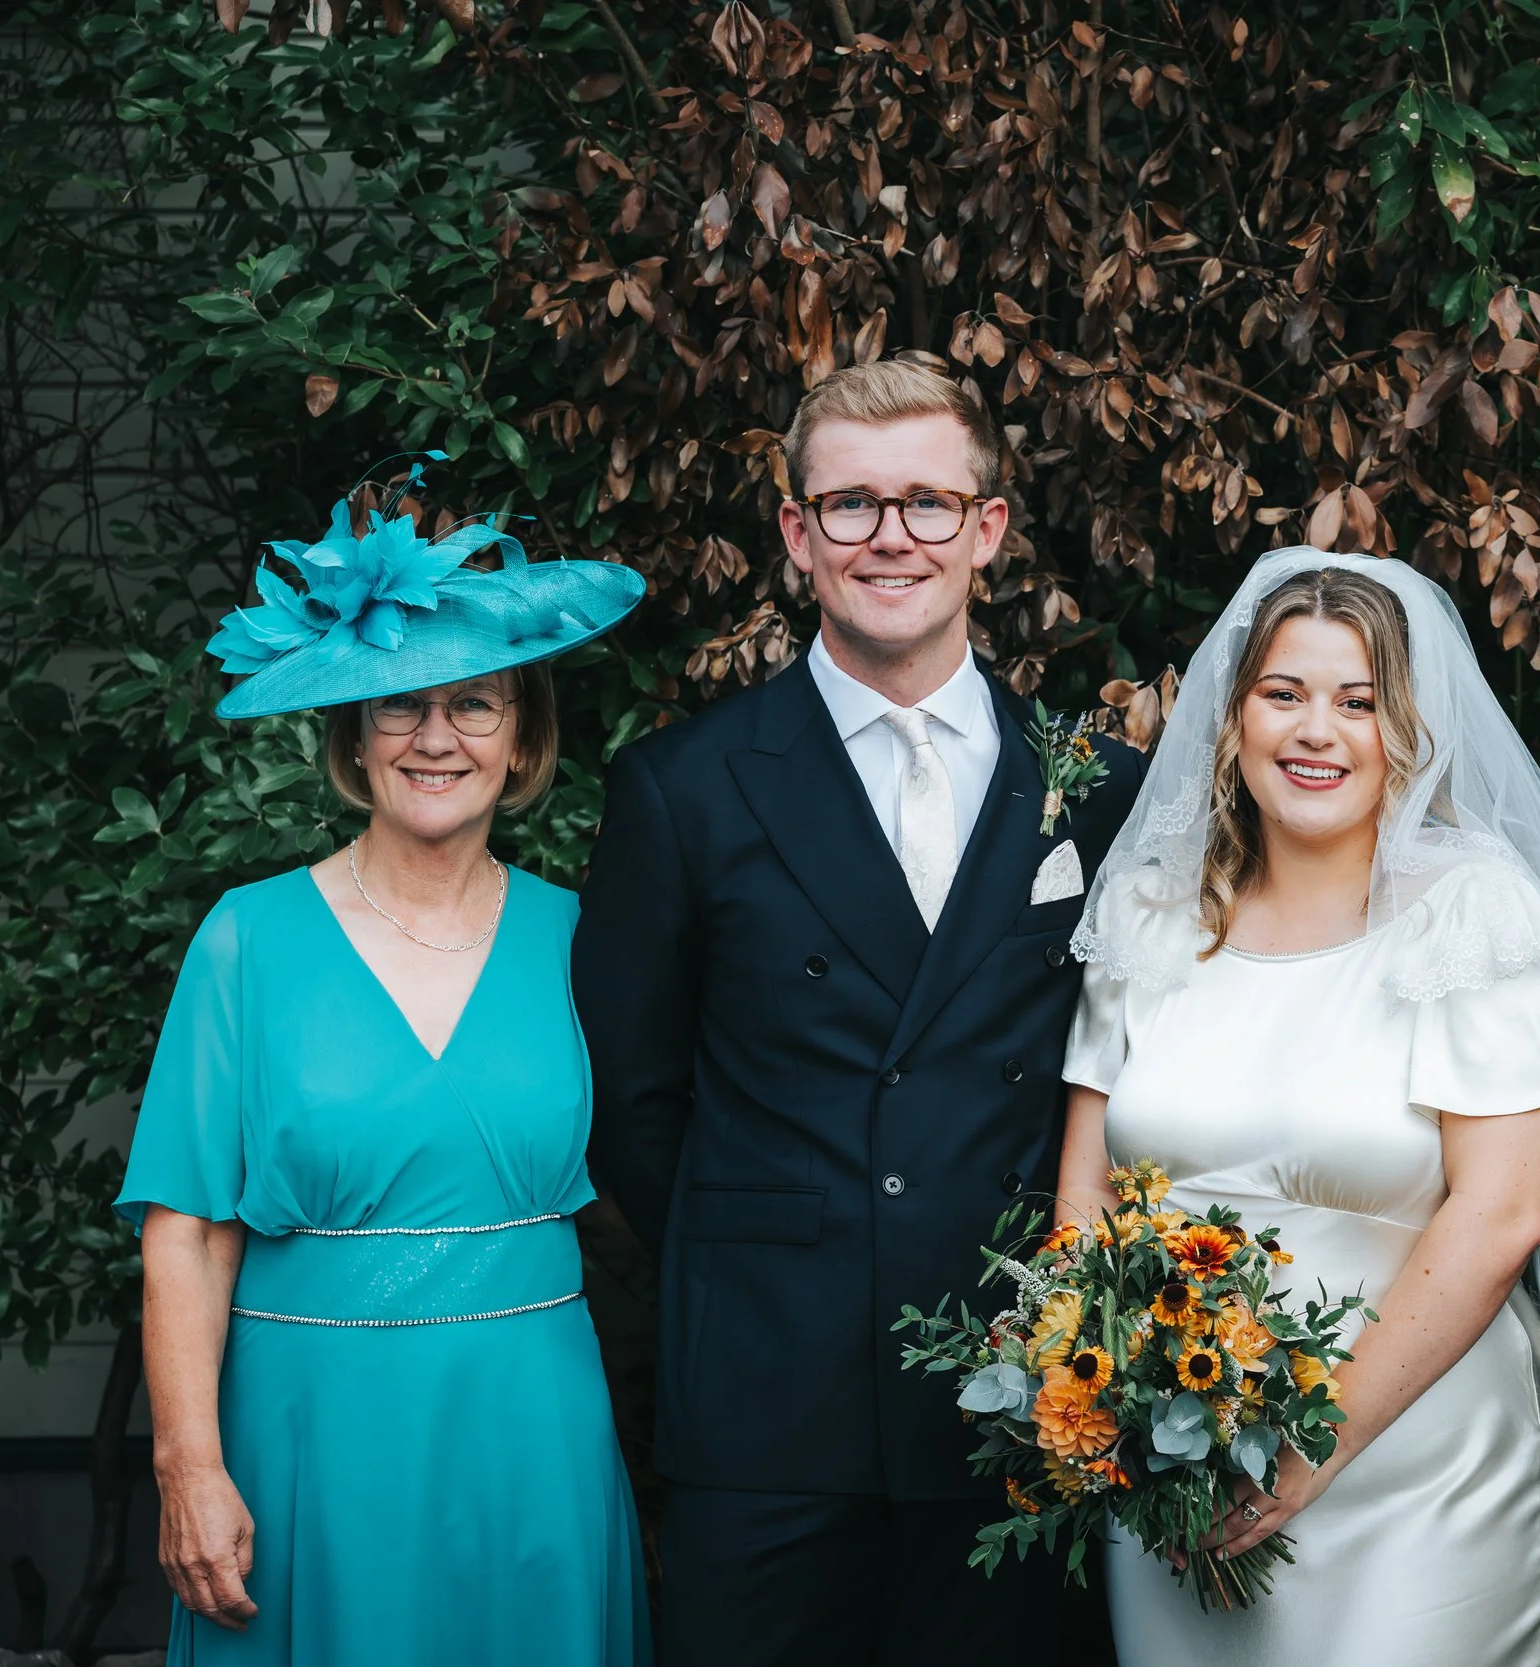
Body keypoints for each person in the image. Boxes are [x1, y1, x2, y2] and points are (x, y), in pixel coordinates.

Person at [573, 360, 1145, 1667]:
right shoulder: (683, 786)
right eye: (851, 505)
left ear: (987, 530)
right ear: (796, 534)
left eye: (930, 503)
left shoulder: (1102, 787)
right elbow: (633, 1096)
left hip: (1018, 1386)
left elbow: (1118, 1072)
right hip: (771, 1397)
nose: (892, 536)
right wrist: (771, 1253)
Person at [1058, 555, 1540, 1666]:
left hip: (1413, 1473)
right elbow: (1085, 1188)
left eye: (1359, 701)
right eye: (1284, 693)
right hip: (1176, 1466)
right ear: (1231, 720)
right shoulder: (1148, 910)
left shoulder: (1479, 921)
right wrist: (1091, 1393)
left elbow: (1501, 1214)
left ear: (1409, 729)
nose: (1317, 730)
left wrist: (1302, 1451)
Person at [117, 485, 652, 1666]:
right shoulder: (247, 939)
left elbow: (653, 1182)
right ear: (353, 735)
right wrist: (188, 1464)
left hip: (531, 1421)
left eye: (474, 703)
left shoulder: (584, 940)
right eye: (400, 705)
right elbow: (186, 1229)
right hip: (307, 1426)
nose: (436, 735)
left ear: (522, 737)